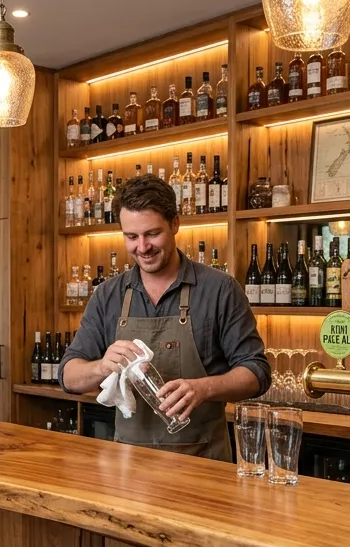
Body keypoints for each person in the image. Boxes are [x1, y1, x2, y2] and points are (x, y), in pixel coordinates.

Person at [60, 174, 270, 461]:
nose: (142, 247)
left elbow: (257, 373)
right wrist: (101, 367)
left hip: (203, 463)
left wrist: (203, 388)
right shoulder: (108, 295)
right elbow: (69, 376)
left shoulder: (219, 289)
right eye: (131, 237)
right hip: (128, 464)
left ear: (175, 224)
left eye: (152, 234)